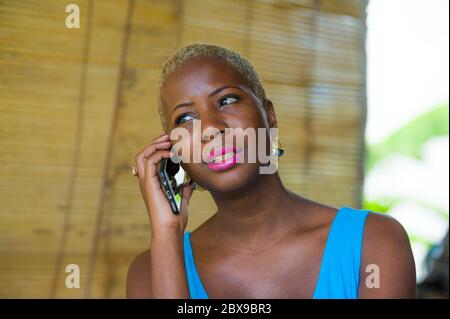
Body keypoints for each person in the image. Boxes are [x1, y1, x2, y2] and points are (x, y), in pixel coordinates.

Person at [127, 43, 416, 299]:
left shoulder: (374, 242)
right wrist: (167, 233)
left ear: (270, 115)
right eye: (186, 118)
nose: (211, 129)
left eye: (226, 100)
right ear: (173, 151)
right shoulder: (149, 272)